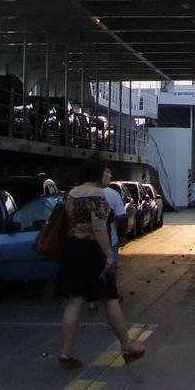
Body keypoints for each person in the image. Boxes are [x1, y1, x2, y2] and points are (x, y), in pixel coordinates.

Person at [55, 158, 146, 368]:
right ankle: (127, 346)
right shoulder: (96, 195)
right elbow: (98, 228)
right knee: (110, 299)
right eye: (106, 172)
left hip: (72, 249)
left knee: (75, 300)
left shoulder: (72, 194)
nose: (110, 176)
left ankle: (66, 351)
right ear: (97, 174)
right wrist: (109, 256)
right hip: (92, 251)